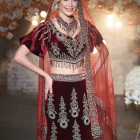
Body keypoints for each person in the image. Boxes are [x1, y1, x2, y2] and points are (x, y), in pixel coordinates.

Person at [13, 0, 117, 140]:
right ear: (57, 2)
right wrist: (46, 76)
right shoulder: (46, 27)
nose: (70, 4)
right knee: (60, 133)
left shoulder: (86, 26)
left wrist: (91, 72)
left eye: (74, 0)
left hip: (82, 89)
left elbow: (104, 51)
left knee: (84, 133)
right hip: (58, 89)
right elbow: (19, 56)